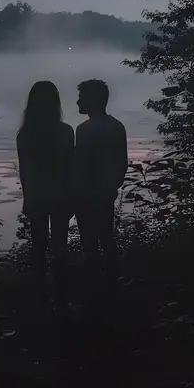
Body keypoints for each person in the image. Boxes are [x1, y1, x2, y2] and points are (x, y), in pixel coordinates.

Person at [16, 81, 74, 306]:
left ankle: (39, 297)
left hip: (37, 197)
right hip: (62, 195)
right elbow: (71, 168)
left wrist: (27, 198)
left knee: (38, 247)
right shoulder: (66, 132)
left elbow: (25, 172)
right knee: (60, 247)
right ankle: (61, 298)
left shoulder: (25, 136)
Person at [73, 79, 128, 303]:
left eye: (81, 98)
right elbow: (122, 163)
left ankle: (94, 293)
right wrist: (113, 185)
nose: (77, 102)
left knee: (89, 243)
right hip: (106, 192)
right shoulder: (117, 126)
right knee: (107, 238)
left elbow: (80, 165)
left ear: (92, 100)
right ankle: (113, 287)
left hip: (86, 194)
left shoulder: (84, 129)